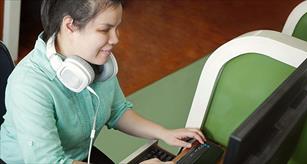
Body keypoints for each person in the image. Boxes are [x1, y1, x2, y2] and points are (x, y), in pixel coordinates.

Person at [0, 0, 205, 163]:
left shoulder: (96, 64)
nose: (115, 39)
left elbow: (117, 110)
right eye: (105, 29)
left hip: (78, 156)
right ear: (70, 25)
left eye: (117, 27)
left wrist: (164, 133)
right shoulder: (29, 85)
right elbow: (50, 161)